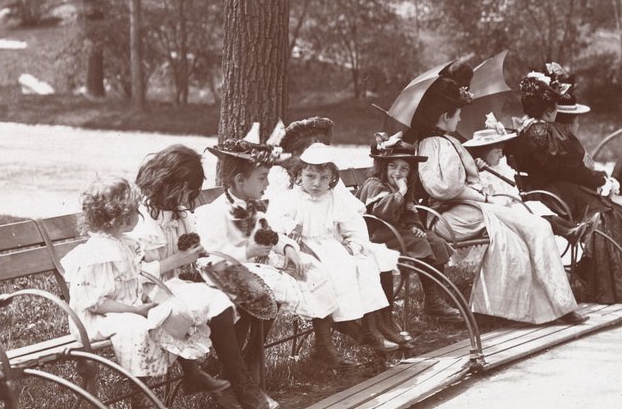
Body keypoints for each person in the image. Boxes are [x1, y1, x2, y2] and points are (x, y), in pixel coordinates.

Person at [407, 65, 584, 326]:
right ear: (445, 116)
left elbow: (458, 181)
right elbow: (443, 189)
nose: (459, 121)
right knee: (532, 228)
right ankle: (536, 307)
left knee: (530, 230)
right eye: (457, 116)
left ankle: (545, 305)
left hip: (467, 210)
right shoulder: (433, 144)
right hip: (448, 217)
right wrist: (481, 195)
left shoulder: (446, 141)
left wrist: (475, 181)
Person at [61, 177, 242, 409]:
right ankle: (140, 394)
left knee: (172, 312)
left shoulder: (125, 244)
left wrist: (146, 304)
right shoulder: (98, 252)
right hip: (97, 317)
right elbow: (96, 302)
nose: (140, 214)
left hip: (125, 308)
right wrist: (135, 311)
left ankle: (193, 372)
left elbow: (135, 280)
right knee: (137, 327)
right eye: (135, 210)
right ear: (119, 217)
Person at [509, 66, 622, 308]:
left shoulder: (524, 128)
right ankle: (619, 289)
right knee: (616, 217)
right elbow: (570, 169)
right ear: (550, 109)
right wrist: (600, 179)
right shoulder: (544, 133)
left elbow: (567, 168)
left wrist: (597, 178)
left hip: (551, 189)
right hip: (557, 193)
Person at [126, 145, 273, 409]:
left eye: (190, 194)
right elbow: (134, 274)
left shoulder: (181, 215)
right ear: (167, 184)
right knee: (214, 302)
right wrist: (178, 259)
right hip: (147, 290)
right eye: (185, 192)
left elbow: (197, 253)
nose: (187, 199)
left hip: (176, 284)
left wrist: (202, 261)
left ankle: (234, 379)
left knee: (226, 298)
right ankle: (239, 383)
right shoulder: (143, 221)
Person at [193, 136, 346, 381]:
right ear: (241, 180)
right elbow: (210, 257)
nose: (267, 184)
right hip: (221, 277)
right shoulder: (216, 212)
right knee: (264, 291)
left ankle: (250, 359)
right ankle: (232, 364)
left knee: (289, 280)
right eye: (262, 178)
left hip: (248, 277)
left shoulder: (252, 207)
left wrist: (287, 248)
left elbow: (270, 235)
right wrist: (248, 253)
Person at [268, 142, 407, 352]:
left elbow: (354, 226)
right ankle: (345, 329)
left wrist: (354, 246)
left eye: (324, 178)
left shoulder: (334, 198)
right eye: (310, 176)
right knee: (333, 270)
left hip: (329, 246)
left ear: (332, 179)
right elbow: (275, 223)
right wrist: (291, 226)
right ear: (299, 175)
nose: (317, 183)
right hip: (299, 249)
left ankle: (372, 328)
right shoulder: (290, 198)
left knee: (365, 264)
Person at [356, 133, 461, 321]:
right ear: (382, 166)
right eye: (392, 166)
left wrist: (413, 225)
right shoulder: (375, 185)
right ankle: (433, 300)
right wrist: (401, 192)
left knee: (434, 241)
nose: (398, 172)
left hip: (397, 231)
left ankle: (433, 299)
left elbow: (410, 209)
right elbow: (381, 214)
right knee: (420, 244)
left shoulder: (403, 186)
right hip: (377, 232)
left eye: (404, 169)